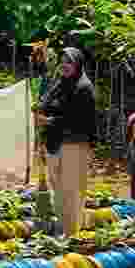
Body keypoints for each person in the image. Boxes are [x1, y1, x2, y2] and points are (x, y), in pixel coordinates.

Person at [35, 48, 97, 236]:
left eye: (69, 61)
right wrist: (39, 111)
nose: (65, 65)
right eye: (62, 61)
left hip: (74, 144)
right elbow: (46, 104)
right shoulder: (59, 84)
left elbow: (78, 120)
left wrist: (48, 121)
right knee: (58, 188)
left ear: (78, 64)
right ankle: (65, 228)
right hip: (54, 142)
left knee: (71, 190)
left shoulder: (83, 88)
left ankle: (72, 234)